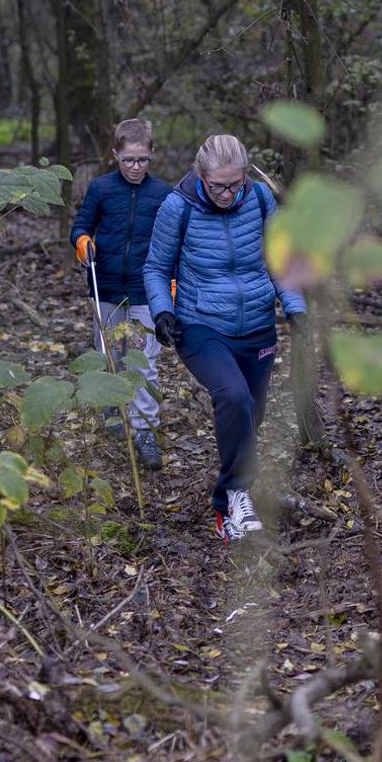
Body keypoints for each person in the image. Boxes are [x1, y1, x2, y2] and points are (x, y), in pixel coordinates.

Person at [143, 134, 305, 542]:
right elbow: (156, 268)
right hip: (200, 325)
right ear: (201, 176)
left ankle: (227, 504)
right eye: (218, 186)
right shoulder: (177, 206)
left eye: (236, 185)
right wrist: (163, 311)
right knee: (233, 396)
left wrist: (295, 307)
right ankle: (236, 496)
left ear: (246, 176)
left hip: (257, 324)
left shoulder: (261, 200)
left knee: (251, 416)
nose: (228, 194)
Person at [70, 119, 173, 470]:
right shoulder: (101, 189)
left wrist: (171, 281)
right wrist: (83, 243)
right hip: (107, 286)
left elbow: (173, 240)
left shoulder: (163, 194)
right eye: (128, 160)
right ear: (114, 154)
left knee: (144, 362)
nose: (135, 167)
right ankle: (111, 407)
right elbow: (81, 226)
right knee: (109, 354)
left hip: (147, 291)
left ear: (152, 155)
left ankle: (145, 429)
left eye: (142, 160)